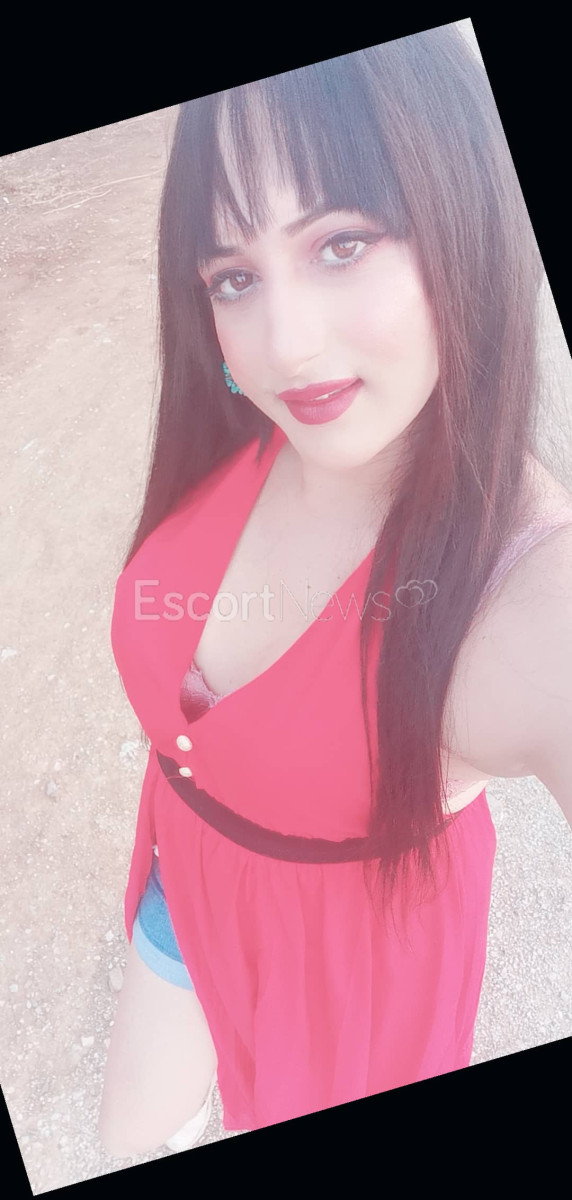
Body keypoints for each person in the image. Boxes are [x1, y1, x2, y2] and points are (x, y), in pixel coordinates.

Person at [98, 24, 572, 1157]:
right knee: (121, 1146)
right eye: (234, 276)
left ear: (462, 220)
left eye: (343, 243)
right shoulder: (241, 426)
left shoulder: (522, 599)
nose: (284, 345)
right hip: (182, 885)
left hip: (345, 988)